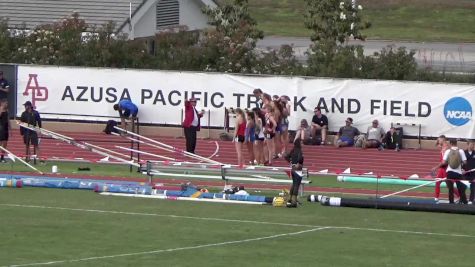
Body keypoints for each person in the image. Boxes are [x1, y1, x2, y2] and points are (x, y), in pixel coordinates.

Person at [433, 139, 467, 204]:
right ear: (456, 143)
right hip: (458, 173)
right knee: (461, 188)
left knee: (450, 189)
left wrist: (436, 167)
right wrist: (460, 163)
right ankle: (464, 203)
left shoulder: (448, 151)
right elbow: (465, 162)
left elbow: (443, 162)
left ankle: (451, 203)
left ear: (450, 143)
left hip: (449, 172)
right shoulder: (461, 151)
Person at [433, 135, 458, 202]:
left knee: (449, 185)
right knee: (437, 182)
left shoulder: (446, 148)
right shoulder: (442, 146)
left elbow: (445, 161)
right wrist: (438, 142)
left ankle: (459, 195)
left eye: (439, 140)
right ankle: (436, 197)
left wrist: (436, 167)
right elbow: (436, 145)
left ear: (443, 140)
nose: (438, 141)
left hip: (446, 168)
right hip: (442, 168)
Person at [284, 138, 304, 208]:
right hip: (298, 170)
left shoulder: (293, 150)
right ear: (299, 143)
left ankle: (289, 199)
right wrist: (298, 163)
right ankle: (294, 201)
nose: (302, 144)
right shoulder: (299, 151)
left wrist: (291, 162)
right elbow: (300, 158)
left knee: (293, 184)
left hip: (292, 169)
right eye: (301, 143)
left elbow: (286, 156)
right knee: (296, 185)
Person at [464, 139, 475, 204]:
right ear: (468, 145)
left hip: (473, 174)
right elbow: (460, 163)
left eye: (474, 144)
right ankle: (463, 200)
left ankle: (471, 201)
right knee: (462, 188)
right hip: (464, 174)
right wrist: (462, 170)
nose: (473, 146)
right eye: (472, 144)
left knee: (473, 188)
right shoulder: (463, 152)